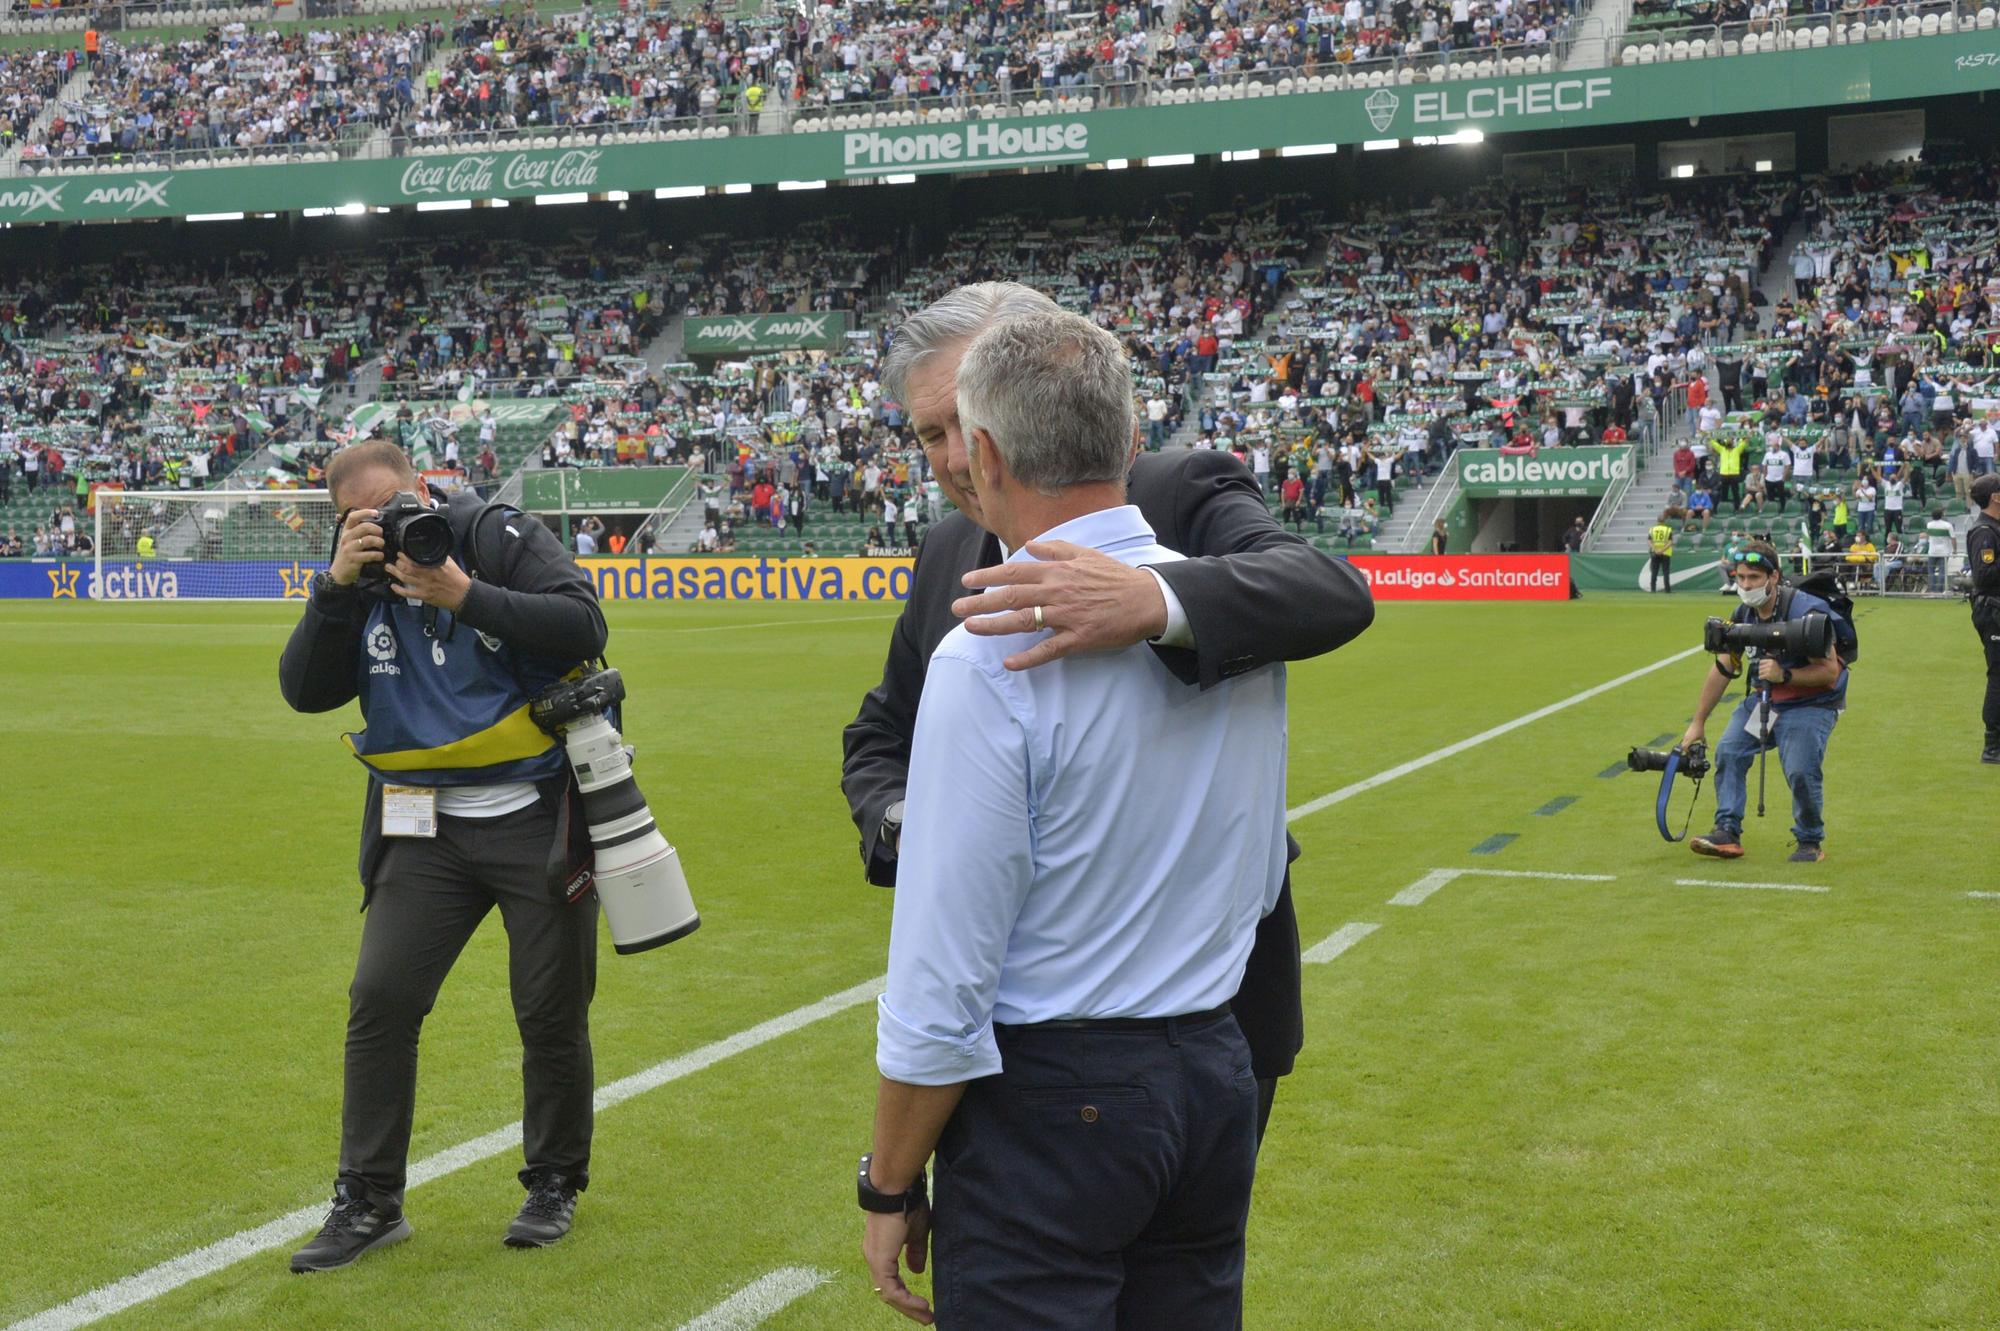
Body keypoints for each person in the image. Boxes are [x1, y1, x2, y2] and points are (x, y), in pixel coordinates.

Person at [842, 282, 1373, 1169]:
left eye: (959, 422)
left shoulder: (1173, 491)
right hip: (1018, 1027)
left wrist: (1155, 597)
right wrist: (906, 821)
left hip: (1210, 1011)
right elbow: (880, 733)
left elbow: (1328, 591)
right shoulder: (944, 551)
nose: (951, 458)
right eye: (928, 434)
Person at [860, 308, 1288, 1329]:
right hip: (1209, 1064)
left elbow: (940, 983)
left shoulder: (989, 649)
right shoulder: (1227, 614)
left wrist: (886, 1181)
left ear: (990, 451)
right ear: (1130, 442)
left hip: (1056, 1094)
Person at [278, 440, 607, 1271]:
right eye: (361, 515)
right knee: (380, 998)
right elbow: (305, 689)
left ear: (423, 487)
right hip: (422, 824)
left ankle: (555, 1180)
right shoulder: (357, 578)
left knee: (549, 1008)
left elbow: (584, 622)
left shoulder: (493, 533)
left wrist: (465, 593)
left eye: (393, 503)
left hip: (534, 808)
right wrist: (334, 590)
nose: (387, 523)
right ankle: (369, 1198)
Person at [1680, 542, 1850, 863]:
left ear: (1774, 577)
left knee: (1800, 770)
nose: (1745, 585)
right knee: (1729, 750)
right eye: (1740, 577)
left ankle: (1809, 841)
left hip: (1812, 703)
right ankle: (1726, 831)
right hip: (1765, 701)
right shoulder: (1742, 614)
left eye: (1754, 578)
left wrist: (1785, 676)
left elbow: (1829, 672)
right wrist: (1698, 721)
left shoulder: (1807, 612)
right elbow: (1723, 668)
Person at [1966, 474, 2000, 762]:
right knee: (1998, 674)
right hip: (1993, 610)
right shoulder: (1984, 532)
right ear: (1995, 497)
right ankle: (1992, 746)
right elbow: (1984, 574)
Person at [1648, 512, 1675, 593]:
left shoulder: (1652, 529)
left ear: (1657, 521)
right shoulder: (1668, 529)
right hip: (1665, 553)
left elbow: (1649, 541)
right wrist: (1662, 550)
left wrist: (1655, 549)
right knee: (1666, 572)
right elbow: (1670, 542)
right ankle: (1667, 589)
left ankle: (1653, 589)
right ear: (1664, 521)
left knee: (1654, 572)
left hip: (1655, 553)